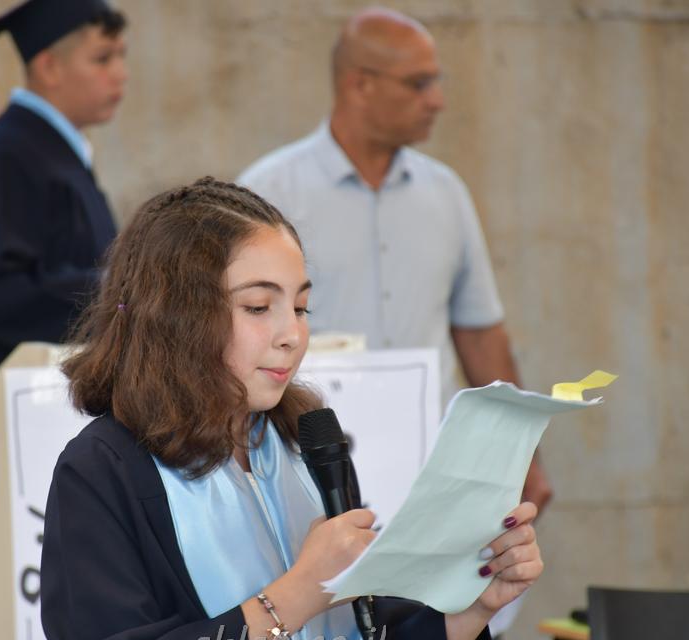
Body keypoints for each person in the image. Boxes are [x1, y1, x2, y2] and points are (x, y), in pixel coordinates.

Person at [40, 177, 544, 640]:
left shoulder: (303, 449)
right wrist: (302, 590)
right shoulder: (104, 470)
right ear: (176, 314)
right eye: (259, 307)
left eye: (301, 308)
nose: (293, 335)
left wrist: (476, 603)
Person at [237, 7, 552, 509]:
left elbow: (479, 334)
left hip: (435, 468)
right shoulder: (268, 192)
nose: (437, 101)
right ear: (360, 84)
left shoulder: (446, 192)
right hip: (309, 461)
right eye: (418, 83)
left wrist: (523, 453)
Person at [0, 0, 127, 506]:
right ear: (49, 66)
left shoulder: (53, 152)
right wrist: (118, 291)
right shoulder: (1, 157)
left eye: (121, 56)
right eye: (102, 58)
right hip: (12, 435)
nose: (121, 74)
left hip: (56, 424)